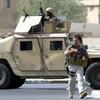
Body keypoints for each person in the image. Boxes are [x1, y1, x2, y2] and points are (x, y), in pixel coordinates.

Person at [64, 34, 89, 99]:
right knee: (72, 80)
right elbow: (65, 53)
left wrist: (84, 57)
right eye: (74, 40)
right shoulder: (70, 47)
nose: (75, 41)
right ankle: (71, 93)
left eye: (76, 40)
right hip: (72, 66)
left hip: (79, 66)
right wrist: (73, 50)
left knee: (80, 79)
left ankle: (81, 93)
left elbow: (87, 56)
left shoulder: (82, 48)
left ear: (79, 41)